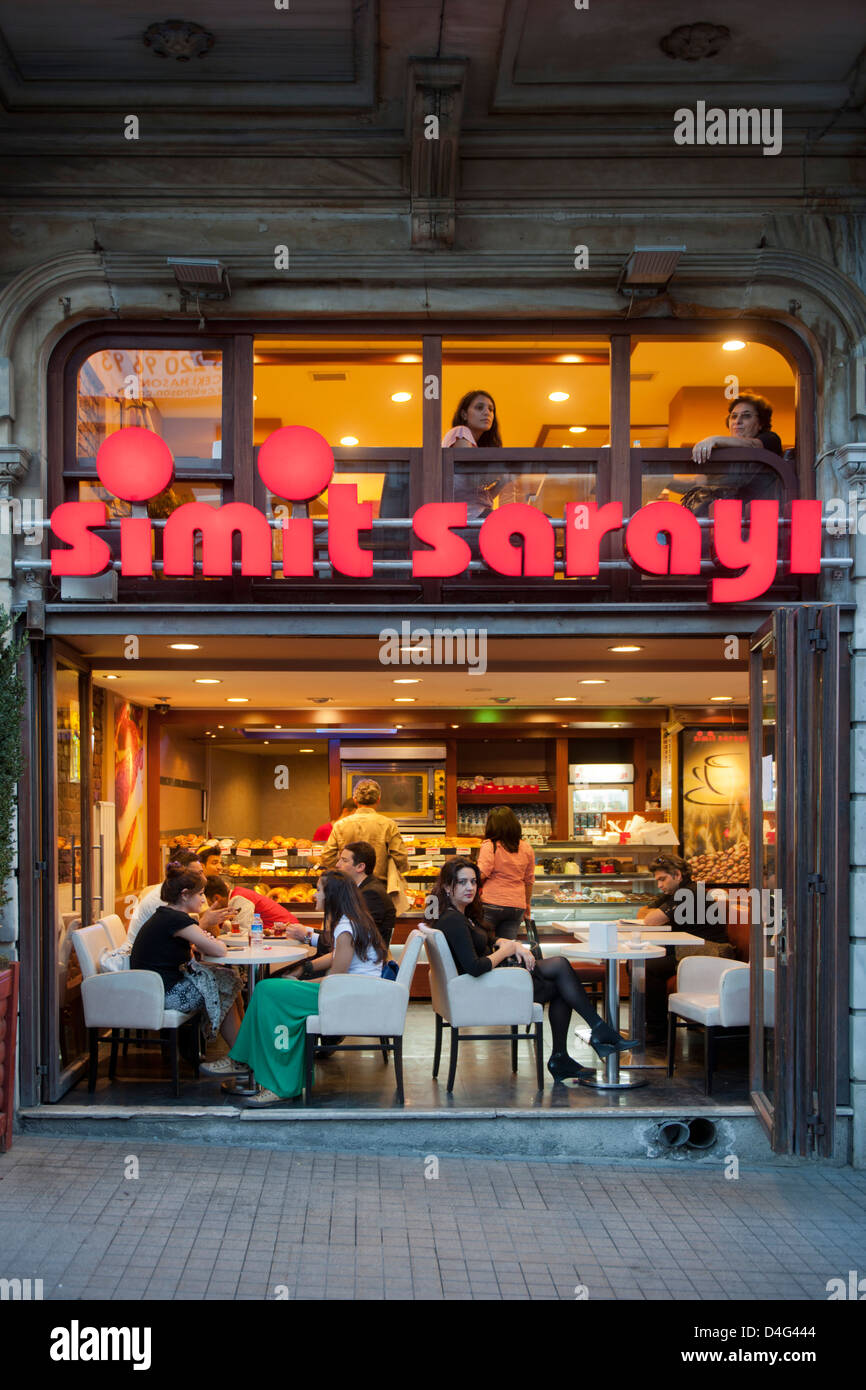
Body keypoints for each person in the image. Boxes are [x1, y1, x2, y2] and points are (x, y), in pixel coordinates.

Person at [430, 857, 635, 1082]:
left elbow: (485, 939)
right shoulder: (453, 920)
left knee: (560, 981)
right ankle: (592, 1035)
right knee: (559, 967)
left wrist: (508, 943)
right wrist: (507, 949)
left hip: (487, 986)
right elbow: (475, 967)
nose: (470, 887)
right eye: (462, 882)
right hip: (482, 993)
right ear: (448, 886)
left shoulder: (461, 916)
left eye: (473, 881)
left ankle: (570, 1052)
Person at [218, 871, 389, 1105]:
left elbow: (336, 980)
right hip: (353, 991)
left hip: (347, 996)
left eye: (318, 889)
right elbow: (336, 957)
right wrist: (303, 969)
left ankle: (277, 1082)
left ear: (331, 896)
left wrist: (299, 983)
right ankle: (242, 1058)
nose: (314, 894)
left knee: (268, 991)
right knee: (267, 989)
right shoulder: (352, 921)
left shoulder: (346, 928)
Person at [130, 867, 243, 1071]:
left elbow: (198, 947)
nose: (203, 900)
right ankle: (241, 1058)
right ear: (184, 895)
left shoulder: (166, 916)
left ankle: (241, 1055)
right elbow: (217, 949)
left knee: (227, 980)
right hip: (163, 994)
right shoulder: (177, 919)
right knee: (225, 985)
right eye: (200, 894)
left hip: (151, 989)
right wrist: (206, 936)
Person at [640, 853, 729, 1045]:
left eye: (662, 879)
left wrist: (658, 914)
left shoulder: (691, 892)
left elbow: (651, 919)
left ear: (677, 875)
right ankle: (648, 1026)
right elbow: (644, 912)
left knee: (647, 967)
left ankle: (656, 1031)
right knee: (639, 964)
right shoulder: (674, 894)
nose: (659, 885)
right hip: (688, 951)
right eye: (657, 880)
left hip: (710, 952)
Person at [127, 851, 229, 944]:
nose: (204, 879)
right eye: (197, 874)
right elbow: (170, 942)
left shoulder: (189, 892)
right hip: (143, 957)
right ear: (181, 874)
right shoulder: (164, 899)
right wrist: (206, 921)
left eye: (202, 872)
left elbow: (213, 933)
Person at [319, 779, 408, 882]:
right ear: (378, 800)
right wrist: (397, 871)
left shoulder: (340, 825)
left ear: (355, 800)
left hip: (348, 885)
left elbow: (326, 857)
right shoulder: (388, 825)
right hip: (378, 885)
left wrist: (342, 870)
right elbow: (400, 857)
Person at [477, 806, 535, 940]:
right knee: (507, 948)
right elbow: (529, 880)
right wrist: (527, 904)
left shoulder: (489, 845)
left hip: (491, 902)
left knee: (483, 944)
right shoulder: (526, 847)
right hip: (516, 906)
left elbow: (482, 873)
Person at [335, 840, 397, 947]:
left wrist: (309, 936)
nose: (337, 865)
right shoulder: (363, 888)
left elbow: (354, 938)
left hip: (366, 960)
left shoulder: (371, 894)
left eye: (344, 860)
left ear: (360, 867)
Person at [691, 393, 783, 465]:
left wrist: (713, 439)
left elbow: (753, 446)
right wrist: (675, 480)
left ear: (761, 423)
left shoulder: (771, 439)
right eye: (734, 416)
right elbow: (698, 481)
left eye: (746, 416)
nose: (737, 421)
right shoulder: (727, 451)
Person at [203, 876, 306, 938]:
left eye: (207, 902)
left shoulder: (238, 899)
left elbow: (245, 933)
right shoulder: (237, 895)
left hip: (287, 935)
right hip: (281, 934)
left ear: (216, 898)